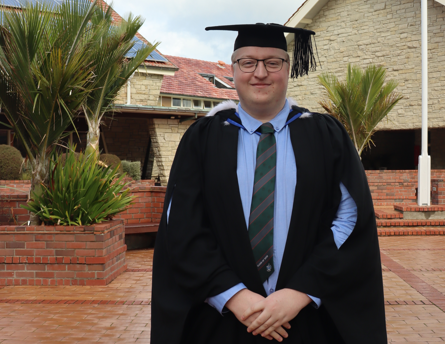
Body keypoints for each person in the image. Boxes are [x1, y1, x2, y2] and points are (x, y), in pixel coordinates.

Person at [151, 23, 386, 344]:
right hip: (221, 320)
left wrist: (301, 291)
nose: (260, 72)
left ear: (289, 69)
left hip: (304, 320)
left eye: (272, 62)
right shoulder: (202, 138)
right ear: (233, 69)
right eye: (248, 62)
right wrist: (234, 296)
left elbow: (350, 219)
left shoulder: (325, 136)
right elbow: (182, 225)